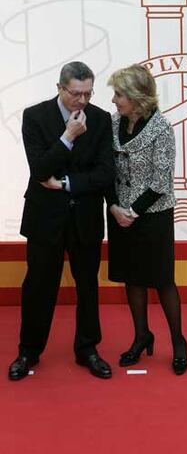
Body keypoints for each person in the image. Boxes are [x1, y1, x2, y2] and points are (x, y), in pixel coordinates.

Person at [8, 61, 114, 381]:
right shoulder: (35, 116)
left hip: (85, 217)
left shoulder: (101, 119)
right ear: (60, 88)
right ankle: (28, 350)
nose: (82, 101)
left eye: (88, 93)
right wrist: (67, 137)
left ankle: (88, 349)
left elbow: (105, 173)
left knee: (87, 286)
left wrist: (67, 184)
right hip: (45, 218)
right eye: (75, 94)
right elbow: (39, 170)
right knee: (39, 285)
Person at [106, 63, 187, 375]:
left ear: (137, 96)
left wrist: (133, 211)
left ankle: (178, 341)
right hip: (119, 214)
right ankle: (141, 336)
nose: (114, 100)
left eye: (119, 94)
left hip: (152, 215)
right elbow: (106, 171)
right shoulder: (113, 125)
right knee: (133, 278)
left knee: (163, 280)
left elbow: (161, 181)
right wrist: (115, 207)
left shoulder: (162, 128)